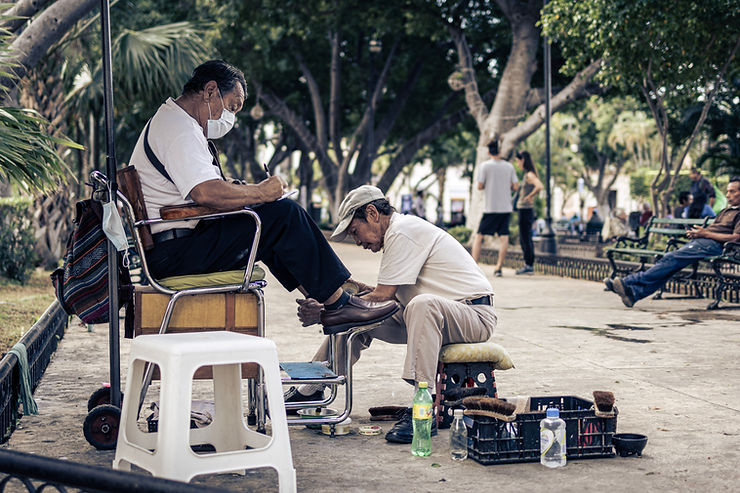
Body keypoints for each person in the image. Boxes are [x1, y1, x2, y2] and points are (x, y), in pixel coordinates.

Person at [128, 60, 397, 331]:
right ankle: (339, 304)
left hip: (179, 247)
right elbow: (205, 192)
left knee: (272, 224)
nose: (229, 117)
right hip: (175, 254)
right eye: (231, 106)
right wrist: (259, 191)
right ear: (210, 90)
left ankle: (330, 296)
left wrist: (243, 190)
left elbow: (203, 186)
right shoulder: (179, 129)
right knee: (284, 215)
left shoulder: (175, 122)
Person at [290, 185, 497, 444]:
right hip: (432, 317)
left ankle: (424, 409)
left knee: (420, 304)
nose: (357, 241)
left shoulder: (403, 231)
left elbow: (383, 295)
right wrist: (340, 296)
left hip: (474, 314)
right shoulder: (396, 235)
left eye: (355, 231)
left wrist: (327, 309)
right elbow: (378, 294)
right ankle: (309, 390)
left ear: (373, 213)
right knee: (356, 320)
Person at [605, 177, 740, 307]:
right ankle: (634, 295)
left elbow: (735, 237)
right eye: (727, 191)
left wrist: (705, 233)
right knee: (672, 265)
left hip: (719, 247)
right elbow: (714, 229)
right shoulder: (727, 210)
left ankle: (628, 281)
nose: (727, 195)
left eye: (732, 191)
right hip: (704, 242)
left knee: (670, 258)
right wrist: (698, 232)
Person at [471, 141, 518, 277]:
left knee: (479, 236)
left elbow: (479, 186)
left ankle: (474, 266)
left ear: (488, 152)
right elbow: (515, 186)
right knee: (504, 237)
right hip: (505, 207)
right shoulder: (509, 167)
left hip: (490, 207)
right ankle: (498, 267)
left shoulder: (485, 166)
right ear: (500, 151)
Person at [513, 151, 543, 275]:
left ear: (523, 160)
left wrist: (530, 196)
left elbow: (539, 186)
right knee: (524, 237)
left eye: (518, 161)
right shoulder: (527, 175)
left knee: (526, 237)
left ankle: (529, 265)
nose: (517, 164)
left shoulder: (530, 175)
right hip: (523, 209)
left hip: (526, 209)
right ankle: (528, 264)